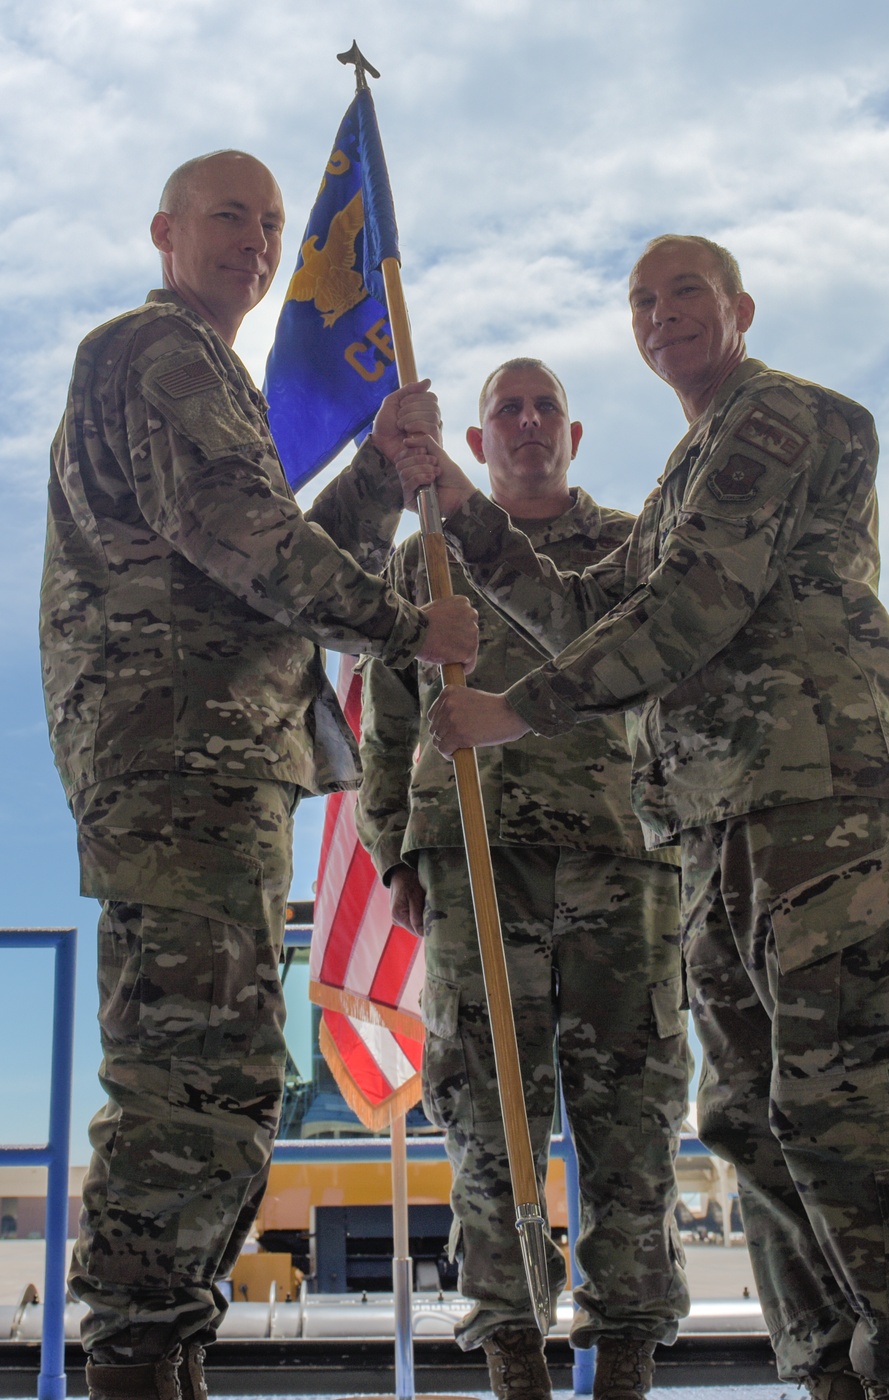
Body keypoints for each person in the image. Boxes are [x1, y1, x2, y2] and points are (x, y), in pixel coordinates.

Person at [395, 237, 889, 1400]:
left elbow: (691, 602)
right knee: (754, 1119)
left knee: (853, 1109)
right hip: (713, 827)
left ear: (739, 309)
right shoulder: (680, 476)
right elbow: (579, 603)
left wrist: (514, 709)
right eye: (642, 301)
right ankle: (833, 1374)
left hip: (820, 803)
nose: (663, 315)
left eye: (686, 294)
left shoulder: (779, 421)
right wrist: (460, 510)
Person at [39, 149, 479, 1400]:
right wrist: (413, 626)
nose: (258, 238)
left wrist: (384, 474)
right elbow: (253, 545)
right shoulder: (158, 350)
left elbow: (270, 565)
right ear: (166, 228)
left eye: (275, 222)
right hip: (178, 758)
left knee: (226, 1068)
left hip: (216, 760)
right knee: (188, 1069)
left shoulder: (204, 374)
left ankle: (163, 1346)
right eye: (229, 214)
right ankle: (135, 1355)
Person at [355, 358, 691, 1400]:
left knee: (630, 1106)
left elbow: (666, 687)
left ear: (575, 435)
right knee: (487, 1112)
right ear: (477, 442)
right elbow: (389, 722)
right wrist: (396, 851)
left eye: (546, 407)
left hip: (619, 859)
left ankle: (626, 1344)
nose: (529, 422)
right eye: (508, 408)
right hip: (473, 862)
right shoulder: (426, 566)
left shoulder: (635, 548)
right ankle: (512, 1346)